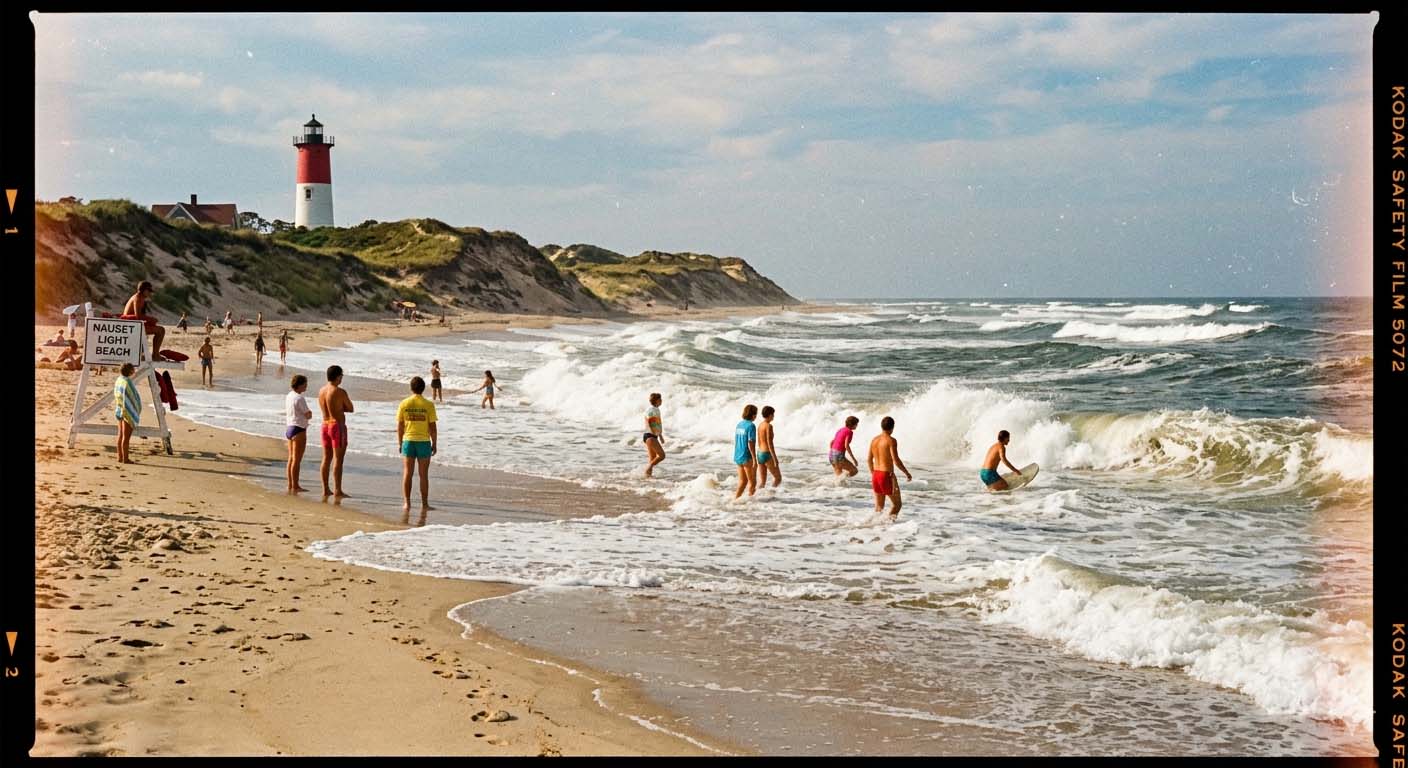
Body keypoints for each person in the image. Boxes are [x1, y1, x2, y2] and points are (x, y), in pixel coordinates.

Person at [396, 376, 438, 524]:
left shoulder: (404, 403)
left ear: (411, 388)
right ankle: (425, 503)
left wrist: (400, 442)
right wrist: (435, 443)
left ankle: (407, 503)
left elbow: (400, 425)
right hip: (423, 442)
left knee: (407, 473)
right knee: (423, 475)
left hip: (408, 440)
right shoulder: (428, 404)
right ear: (423, 388)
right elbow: (432, 427)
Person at [318, 364, 356, 501]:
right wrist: (340, 409)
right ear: (338, 376)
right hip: (337, 426)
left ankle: (325, 488)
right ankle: (338, 490)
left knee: (326, 458)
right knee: (338, 460)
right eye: (341, 376)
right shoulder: (339, 392)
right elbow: (351, 408)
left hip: (325, 425)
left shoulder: (321, 391)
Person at [867, 416, 912, 520]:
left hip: (876, 475)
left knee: (879, 507)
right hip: (886, 475)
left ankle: (873, 527)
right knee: (897, 505)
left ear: (882, 426)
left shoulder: (874, 440)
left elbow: (869, 459)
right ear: (892, 427)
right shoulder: (891, 440)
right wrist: (907, 473)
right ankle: (886, 526)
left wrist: (873, 474)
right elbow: (896, 460)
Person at [120, 280, 165, 358]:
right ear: (143, 290)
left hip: (132, 325)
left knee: (159, 329)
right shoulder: (138, 298)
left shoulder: (138, 297)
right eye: (149, 291)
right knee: (161, 330)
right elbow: (138, 316)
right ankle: (155, 354)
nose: (150, 293)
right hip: (132, 327)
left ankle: (153, 354)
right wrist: (151, 319)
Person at [285, 375, 312, 494]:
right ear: (300, 385)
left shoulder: (289, 395)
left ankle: (291, 483)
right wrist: (310, 414)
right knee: (297, 460)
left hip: (290, 427)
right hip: (299, 428)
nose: (306, 386)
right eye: (305, 384)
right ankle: (295, 485)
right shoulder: (299, 398)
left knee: (291, 459)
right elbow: (307, 414)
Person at [113, 362, 141, 464]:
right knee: (126, 437)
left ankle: (120, 457)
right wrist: (136, 409)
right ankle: (126, 459)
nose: (134, 370)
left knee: (120, 435)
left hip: (119, 409)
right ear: (130, 371)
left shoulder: (119, 380)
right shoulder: (127, 382)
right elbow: (132, 397)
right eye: (133, 369)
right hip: (126, 411)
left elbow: (118, 394)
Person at [733, 403, 758, 499]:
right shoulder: (751, 426)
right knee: (752, 482)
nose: (756, 416)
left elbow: (737, 440)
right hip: (746, 456)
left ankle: (735, 500)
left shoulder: (739, 424)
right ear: (753, 414)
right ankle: (751, 503)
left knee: (743, 481)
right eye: (755, 414)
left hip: (738, 455)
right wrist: (754, 459)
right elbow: (751, 443)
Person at [756, 405, 781, 488]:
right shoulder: (769, 426)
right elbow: (770, 443)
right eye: (773, 414)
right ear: (770, 415)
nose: (773, 416)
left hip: (759, 453)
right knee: (778, 478)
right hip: (767, 453)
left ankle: (759, 497)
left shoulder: (760, 425)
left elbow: (759, 441)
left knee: (762, 482)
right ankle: (771, 495)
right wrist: (775, 458)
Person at [643, 392, 666, 477]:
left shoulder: (653, 409)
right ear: (656, 401)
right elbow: (651, 421)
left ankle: (647, 477)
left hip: (649, 435)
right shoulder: (653, 410)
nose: (661, 401)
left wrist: (660, 436)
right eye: (660, 399)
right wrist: (655, 433)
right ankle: (648, 468)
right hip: (650, 436)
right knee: (662, 456)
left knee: (652, 459)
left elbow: (657, 423)